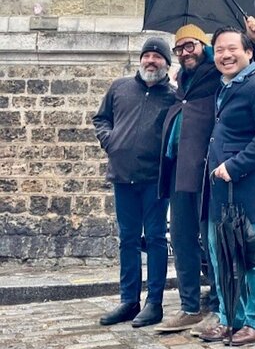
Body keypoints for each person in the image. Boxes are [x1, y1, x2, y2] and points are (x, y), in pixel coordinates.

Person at [156, 18, 255, 334]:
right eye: (179, 47)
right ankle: (223, 316)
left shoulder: (234, 77)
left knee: (250, 253)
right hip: (203, 176)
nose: (185, 51)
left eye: (191, 44)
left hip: (232, 178)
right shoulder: (198, 82)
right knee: (214, 248)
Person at [199, 26, 255, 346]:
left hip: (252, 191)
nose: (225, 55)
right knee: (222, 258)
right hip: (222, 194)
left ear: (249, 52)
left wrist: (233, 167)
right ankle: (230, 320)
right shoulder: (224, 87)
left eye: (232, 48)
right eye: (219, 49)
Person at [93, 38, 175, 328]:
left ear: (167, 63)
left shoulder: (173, 97)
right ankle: (129, 300)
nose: (151, 60)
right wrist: (110, 141)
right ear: (140, 60)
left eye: (157, 56)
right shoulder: (120, 88)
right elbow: (100, 119)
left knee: (154, 239)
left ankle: (154, 303)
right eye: (147, 55)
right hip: (122, 177)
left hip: (154, 181)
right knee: (127, 239)